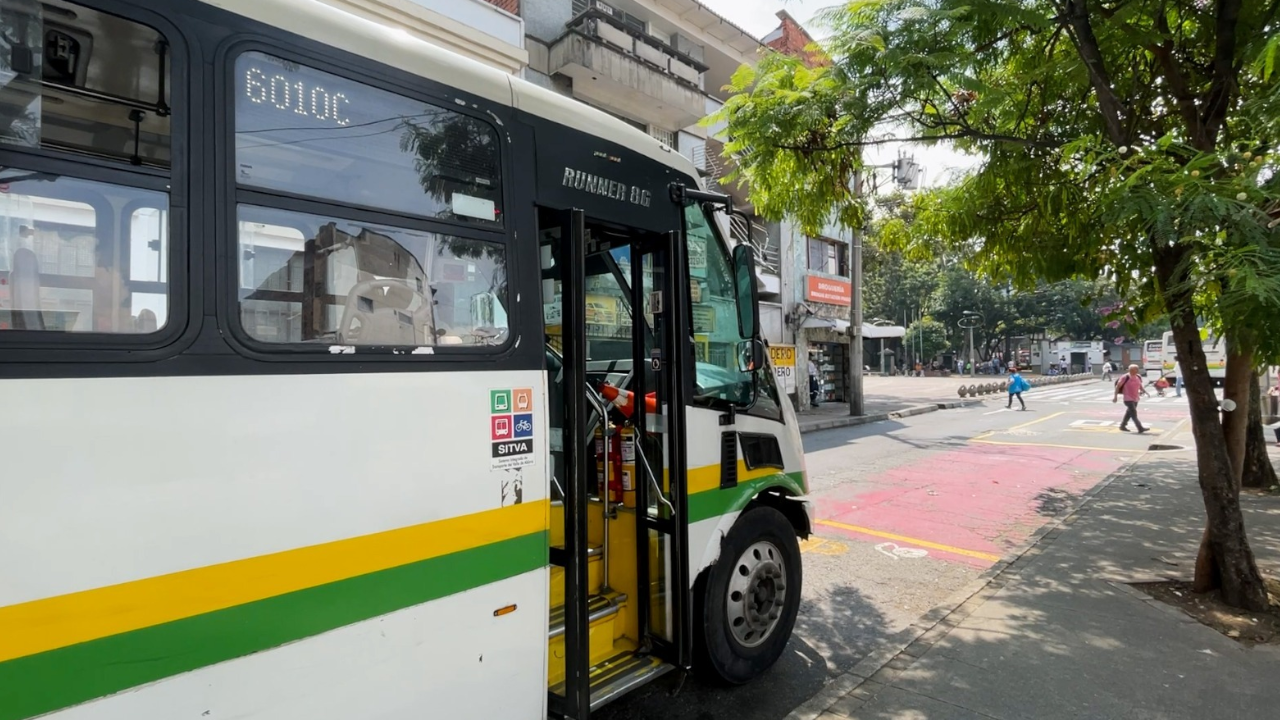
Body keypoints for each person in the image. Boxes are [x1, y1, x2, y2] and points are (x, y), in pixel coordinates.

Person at [1113, 364, 1150, 433]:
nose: (1137, 370)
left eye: (1137, 369)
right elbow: (1118, 387)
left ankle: (1122, 426)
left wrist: (1144, 391)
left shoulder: (1138, 376)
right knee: (1133, 413)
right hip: (1128, 398)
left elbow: (1140, 385)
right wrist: (1115, 396)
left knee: (1129, 413)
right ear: (1130, 370)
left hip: (1135, 398)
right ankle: (1140, 428)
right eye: (1135, 369)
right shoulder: (1125, 377)